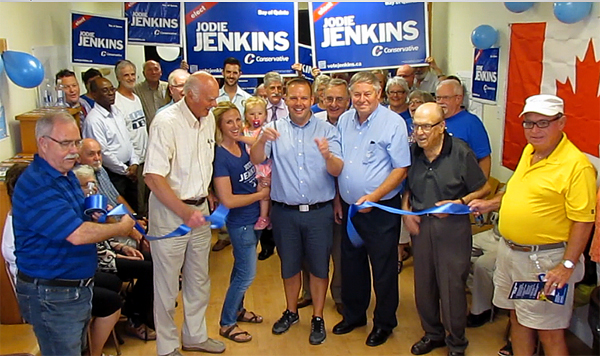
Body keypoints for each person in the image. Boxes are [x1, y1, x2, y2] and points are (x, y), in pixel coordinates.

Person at [469, 94, 597, 356]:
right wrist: (491, 204)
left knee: (549, 332)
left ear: (561, 123)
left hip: (545, 261)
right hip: (510, 253)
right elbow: (518, 191)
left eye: (543, 123)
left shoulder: (576, 167)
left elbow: (583, 221)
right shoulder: (531, 151)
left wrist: (567, 266)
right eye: (528, 123)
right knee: (517, 318)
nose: (534, 130)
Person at [12, 111, 135, 356]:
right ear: (43, 143)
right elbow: (76, 234)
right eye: (65, 143)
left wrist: (95, 214)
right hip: (53, 293)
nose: (74, 150)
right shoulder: (38, 185)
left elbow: (79, 217)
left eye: (76, 142)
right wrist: (120, 229)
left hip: (74, 289)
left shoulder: (66, 174)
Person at [250, 77, 343, 345]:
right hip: (285, 213)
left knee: (319, 267)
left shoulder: (327, 129)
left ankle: (317, 316)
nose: (299, 103)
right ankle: (291, 312)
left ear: (313, 100)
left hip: (318, 212)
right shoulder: (273, 128)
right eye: (293, 98)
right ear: (285, 100)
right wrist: (260, 140)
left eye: (304, 98)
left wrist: (327, 156)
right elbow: (257, 159)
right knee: (289, 266)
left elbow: (337, 170)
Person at [144, 71, 225, 356]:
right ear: (189, 96)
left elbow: (204, 161)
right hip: (170, 212)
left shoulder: (209, 118)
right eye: (209, 99)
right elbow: (153, 177)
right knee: (167, 285)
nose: (214, 104)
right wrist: (183, 210)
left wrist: (209, 192)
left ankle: (195, 336)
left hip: (200, 210)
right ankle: (166, 348)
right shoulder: (166, 122)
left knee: (199, 278)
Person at [402, 103, 490, 356]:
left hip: (452, 228)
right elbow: (407, 186)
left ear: (441, 127)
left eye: (426, 126)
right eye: (416, 125)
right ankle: (433, 334)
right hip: (421, 226)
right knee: (424, 285)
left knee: (451, 287)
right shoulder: (413, 153)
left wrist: (459, 202)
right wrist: (407, 210)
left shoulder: (460, 152)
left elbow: (483, 188)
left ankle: (457, 342)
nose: (419, 132)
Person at [334, 71, 410, 347]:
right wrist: (338, 200)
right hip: (350, 208)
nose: (362, 99)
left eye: (368, 94)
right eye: (357, 94)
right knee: (351, 265)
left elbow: (402, 167)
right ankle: (354, 316)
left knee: (384, 268)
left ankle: (384, 323)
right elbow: (340, 163)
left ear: (379, 94)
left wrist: (374, 196)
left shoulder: (394, 123)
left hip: (380, 208)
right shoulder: (344, 120)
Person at [73, 164, 156, 340]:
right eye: (87, 185)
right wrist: (117, 253)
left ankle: (137, 309)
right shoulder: (76, 210)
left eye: (93, 184)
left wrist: (122, 247)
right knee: (148, 269)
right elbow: (91, 244)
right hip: (99, 261)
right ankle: (136, 317)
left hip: (109, 251)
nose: (93, 189)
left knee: (152, 259)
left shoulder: (94, 205)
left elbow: (106, 238)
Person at [212, 101, 270, 343]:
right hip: (240, 222)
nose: (236, 125)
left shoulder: (240, 145)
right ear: (219, 126)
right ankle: (227, 323)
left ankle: (238, 309)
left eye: (238, 119)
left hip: (254, 217)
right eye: (229, 122)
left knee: (240, 269)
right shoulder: (221, 156)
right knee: (246, 274)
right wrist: (260, 195)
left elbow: (258, 148)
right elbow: (228, 199)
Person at [307, 78, 351, 315]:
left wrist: (337, 198)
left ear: (348, 101)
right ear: (321, 100)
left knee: (341, 251)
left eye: (339, 99)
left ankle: (341, 294)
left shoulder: (355, 124)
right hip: (316, 196)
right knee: (312, 250)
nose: (334, 104)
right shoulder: (314, 124)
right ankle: (308, 292)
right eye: (329, 99)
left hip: (344, 197)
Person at [83, 77, 140, 212]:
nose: (110, 93)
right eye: (105, 90)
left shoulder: (117, 112)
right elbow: (103, 152)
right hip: (114, 174)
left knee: (134, 210)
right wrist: (124, 170)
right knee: (119, 211)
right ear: (94, 95)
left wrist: (134, 163)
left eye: (112, 89)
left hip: (129, 170)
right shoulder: (94, 120)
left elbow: (128, 140)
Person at [114, 59, 149, 217]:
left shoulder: (136, 98)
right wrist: (133, 161)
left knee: (148, 201)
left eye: (132, 74)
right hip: (132, 162)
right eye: (126, 75)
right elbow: (122, 134)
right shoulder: (116, 101)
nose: (130, 78)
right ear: (118, 78)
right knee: (138, 205)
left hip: (145, 159)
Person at [435, 79, 492, 177]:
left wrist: (481, 188)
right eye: (438, 98)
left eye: (445, 98)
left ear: (458, 99)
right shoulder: (434, 120)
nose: (441, 102)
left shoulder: (472, 123)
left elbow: (484, 159)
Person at [134, 60, 169, 128]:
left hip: (166, 128)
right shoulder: (136, 89)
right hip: (147, 132)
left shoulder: (168, 87)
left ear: (161, 72)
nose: (153, 72)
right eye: (149, 70)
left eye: (156, 69)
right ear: (143, 73)